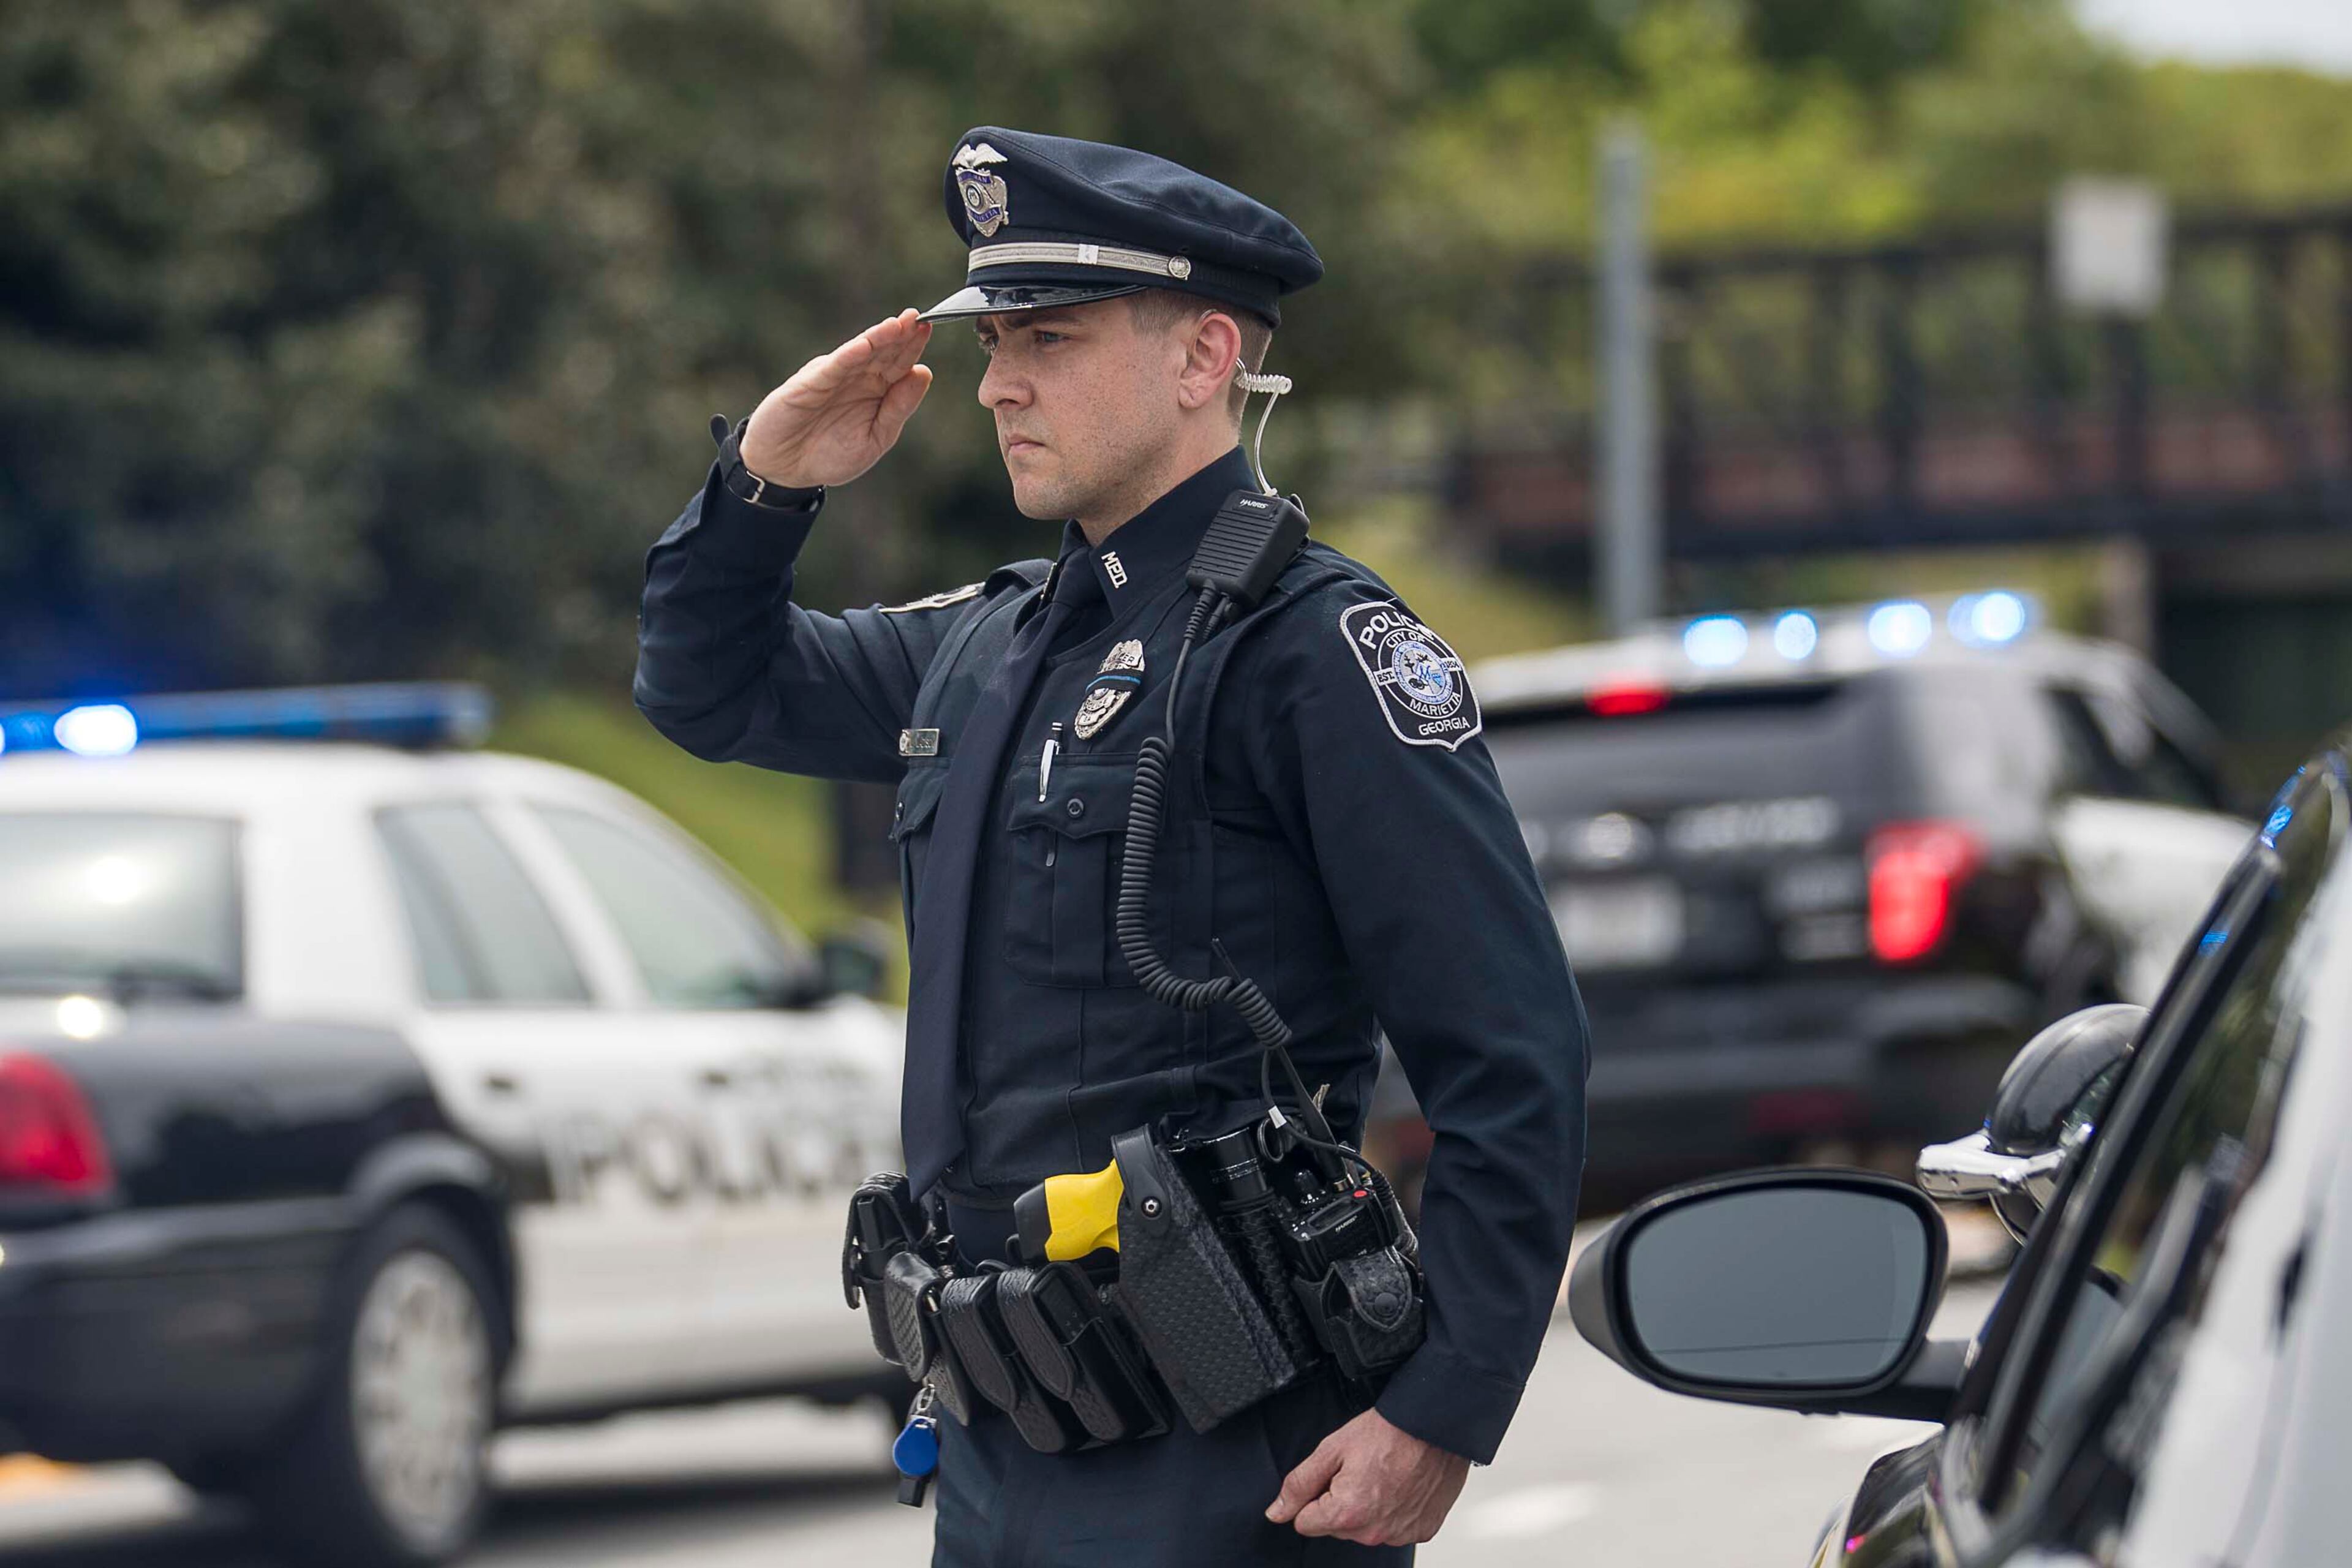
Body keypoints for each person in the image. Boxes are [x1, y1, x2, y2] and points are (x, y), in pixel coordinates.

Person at [635, 127, 1586, 1565]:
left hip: (1232, 1452)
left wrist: (1443, 1407)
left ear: (1204, 358)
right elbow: (710, 688)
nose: (1000, 379)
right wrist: (769, 484)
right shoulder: (992, 642)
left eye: (1053, 338)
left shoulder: (1315, 648)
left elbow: (1512, 1052)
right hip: (1001, 1441)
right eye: (997, 338)